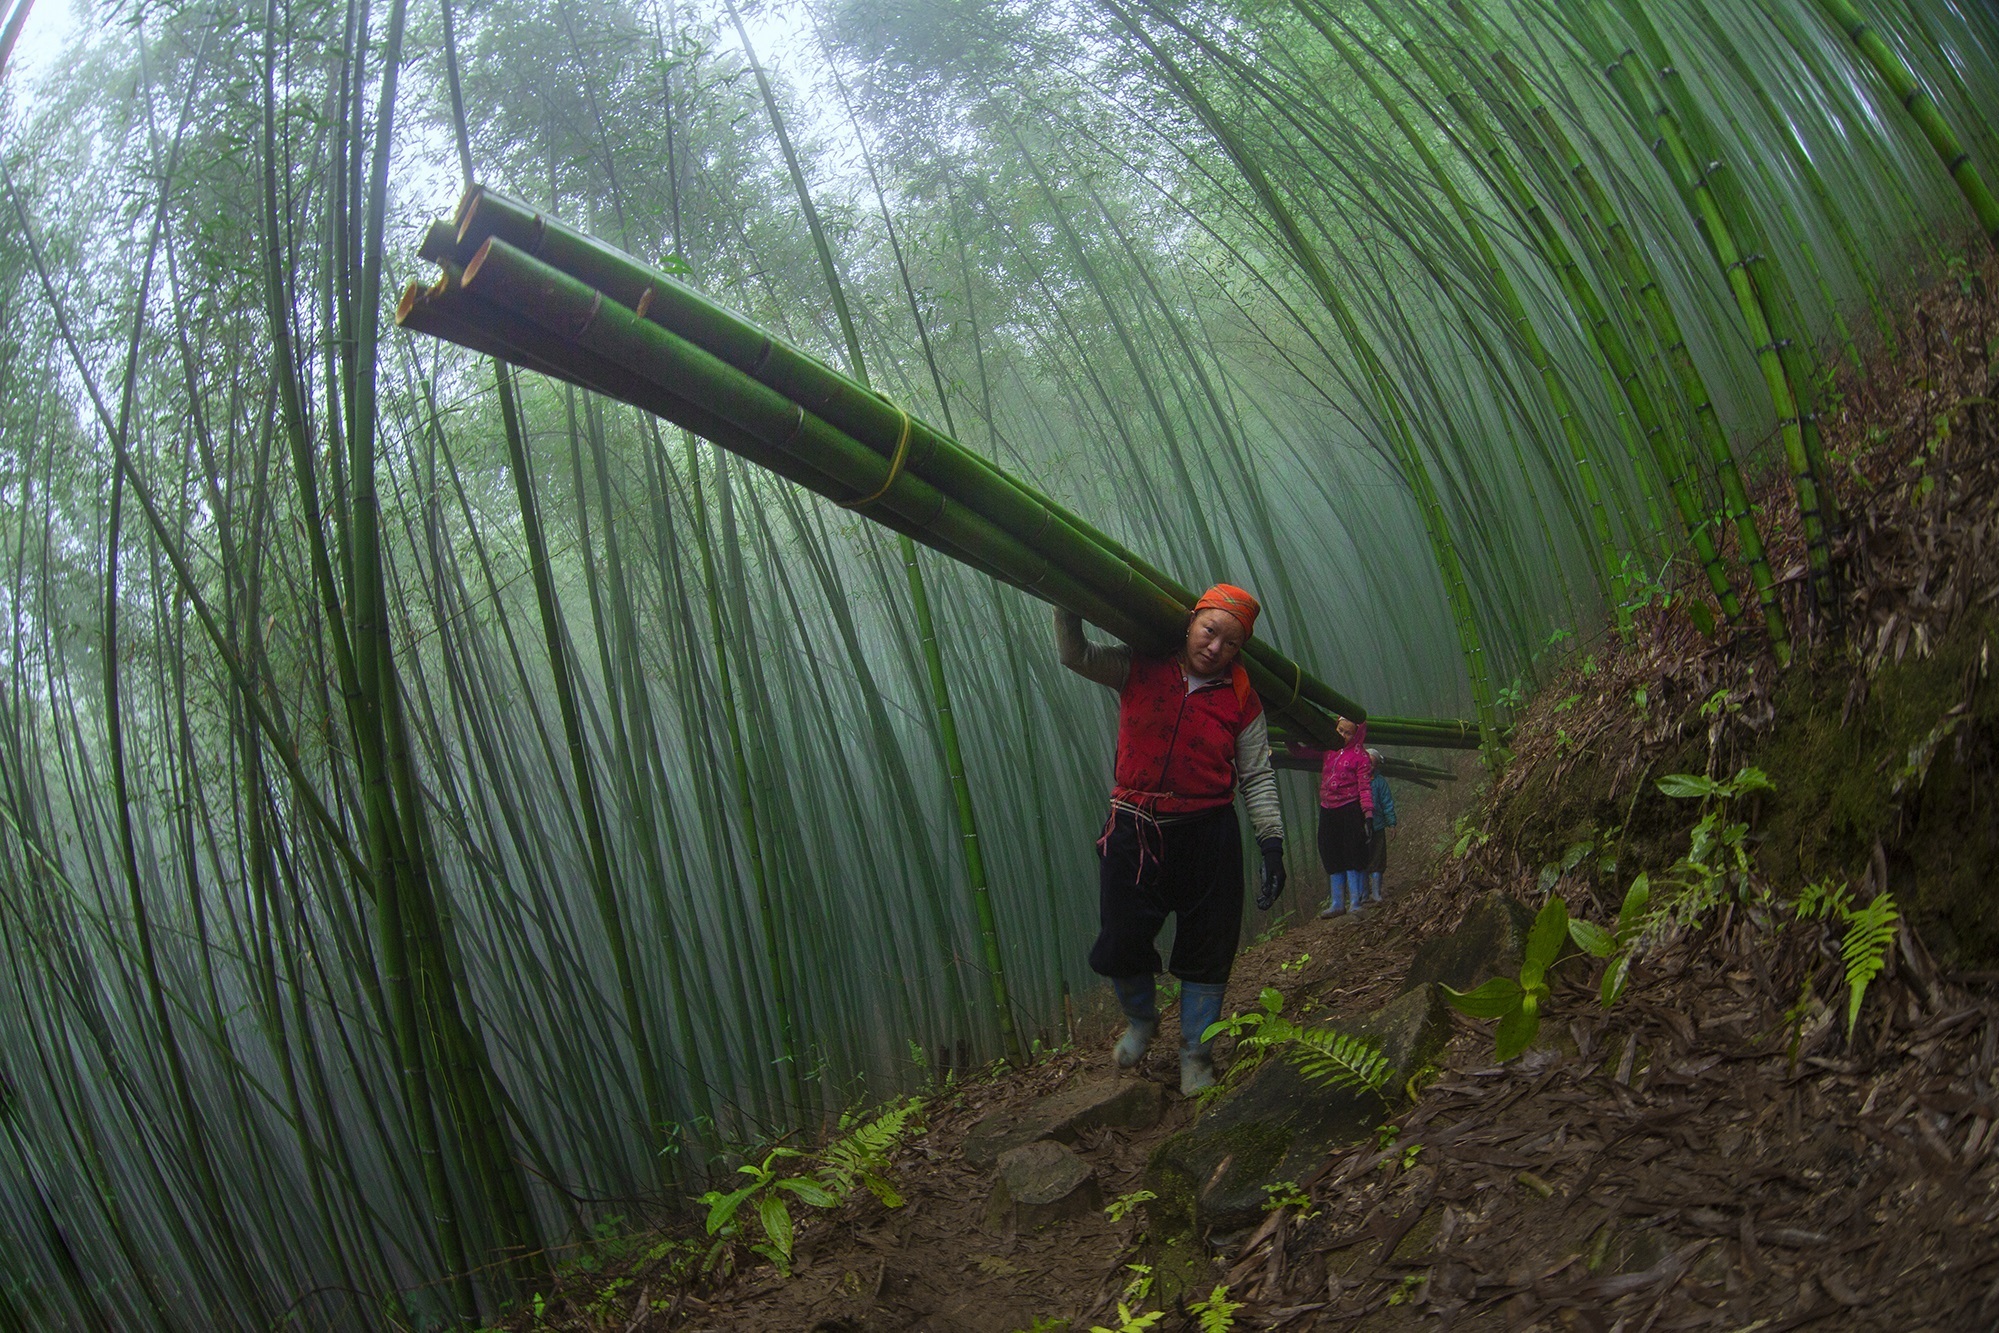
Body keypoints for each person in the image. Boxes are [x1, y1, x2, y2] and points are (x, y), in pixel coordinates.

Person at [1055, 584, 1286, 1095]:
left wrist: (1271, 842)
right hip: (1134, 828)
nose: (1215, 648)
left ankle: (1195, 1055)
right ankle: (1141, 1021)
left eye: (1231, 643)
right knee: (1121, 940)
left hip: (1209, 833)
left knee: (1209, 944)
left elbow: (1257, 775)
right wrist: (1067, 596)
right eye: (1210, 631)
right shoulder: (1140, 665)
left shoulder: (1242, 698)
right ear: (1190, 623)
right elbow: (1076, 655)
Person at [1289, 719, 1373, 917]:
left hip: (1350, 808)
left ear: (1357, 735)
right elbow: (1302, 753)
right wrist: (1289, 738)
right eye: (1340, 730)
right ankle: (1337, 903)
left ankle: (1355, 902)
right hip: (1327, 808)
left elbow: (1365, 787)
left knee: (1352, 851)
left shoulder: (1361, 757)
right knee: (1329, 850)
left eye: (1348, 733)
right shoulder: (1328, 749)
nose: (1342, 735)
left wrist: (1368, 813)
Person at [1365, 748, 1396, 904]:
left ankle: (1376, 893)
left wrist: (1391, 823)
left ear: (1376, 766)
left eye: (1372, 763)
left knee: (1377, 859)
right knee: (1361, 860)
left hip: (1377, 826)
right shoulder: (1354, 780)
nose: (1368, 766)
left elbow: (1387, 803)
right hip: (1359, 828)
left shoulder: (1379, 782)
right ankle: (1363, 894)